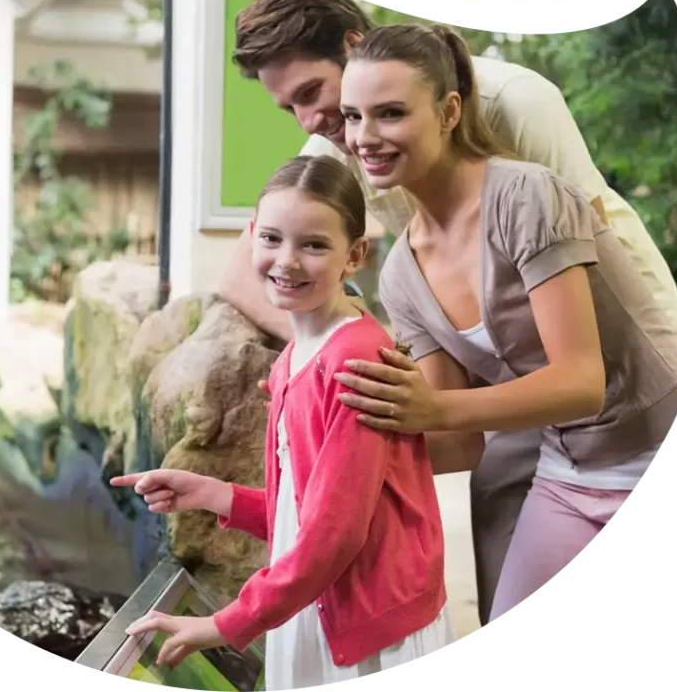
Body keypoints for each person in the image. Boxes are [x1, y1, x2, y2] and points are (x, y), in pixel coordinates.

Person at [222, 0, 677, 625]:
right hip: (539, 412)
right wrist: (322, 391)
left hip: (621, 369)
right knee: (495, 510)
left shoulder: (517, 122)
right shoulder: (369, 209)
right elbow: (448, 435)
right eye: (291, 109)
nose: (315, 124)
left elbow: (589, 277)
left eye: (310, 94)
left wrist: (433, 403)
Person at [111, 156, 455, 683]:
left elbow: (335, 535)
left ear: (354, 255)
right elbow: (306, 509)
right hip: (318, 606)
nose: (286, 261)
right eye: (271, 239)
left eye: (314, 245)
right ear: (251, 236)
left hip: (369, 632)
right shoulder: (296, 353)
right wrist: (212, 493)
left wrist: (226, 624)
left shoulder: (353, 362)